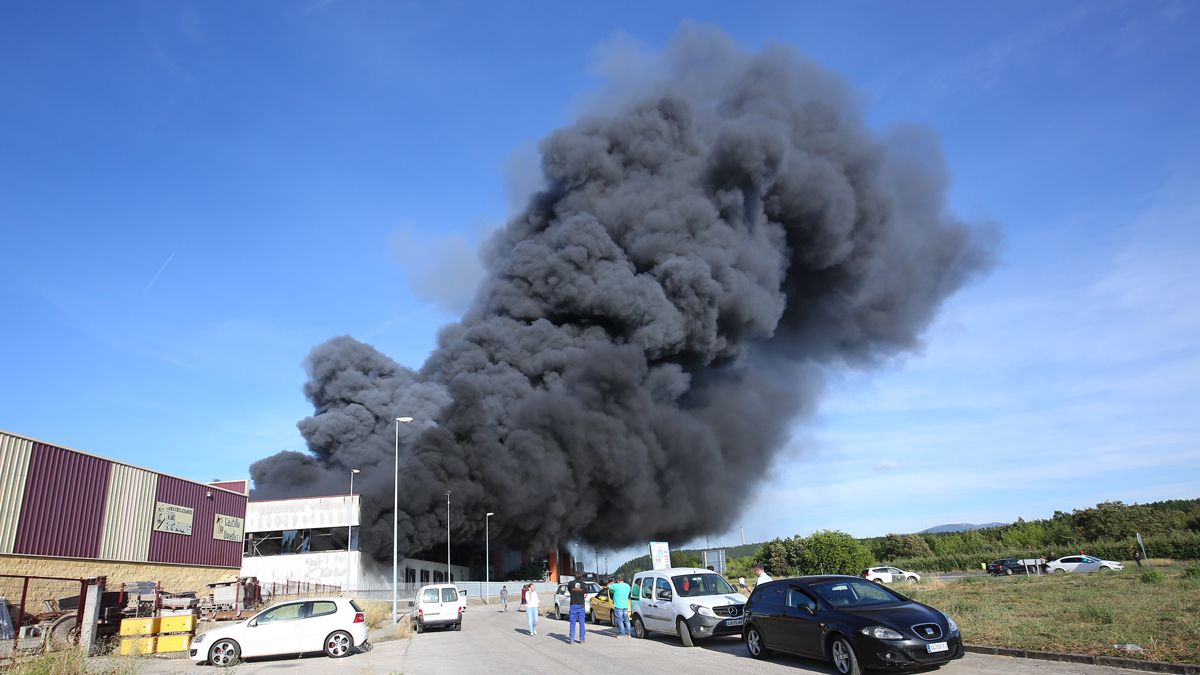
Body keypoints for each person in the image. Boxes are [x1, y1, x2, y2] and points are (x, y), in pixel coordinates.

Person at [567, 578, 587, 644]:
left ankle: (571, 639)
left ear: (574, 576)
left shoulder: (570, 583)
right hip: (581, 605)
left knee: (572, 622)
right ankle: (582, 639)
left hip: (573, 604)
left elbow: (569, 591)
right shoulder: (584, 584)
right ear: (581, 576)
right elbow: (585, 595)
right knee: (582, 623)